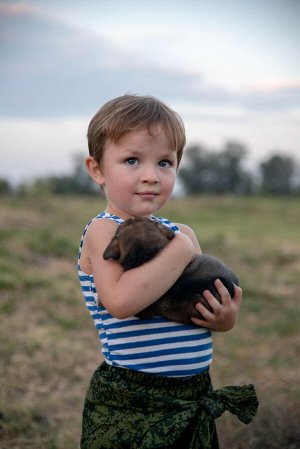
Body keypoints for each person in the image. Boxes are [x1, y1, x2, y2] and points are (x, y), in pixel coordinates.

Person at [78, 94, 258, 449]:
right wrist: (180, 248)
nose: (151, 176)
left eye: (165, 162)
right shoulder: (105, 230)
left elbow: (201, 304)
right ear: (97, 169)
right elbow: (119, 302)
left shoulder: (183, 233)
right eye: (132, 160)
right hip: (131, 397)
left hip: (192, 393)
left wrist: (224, 318)